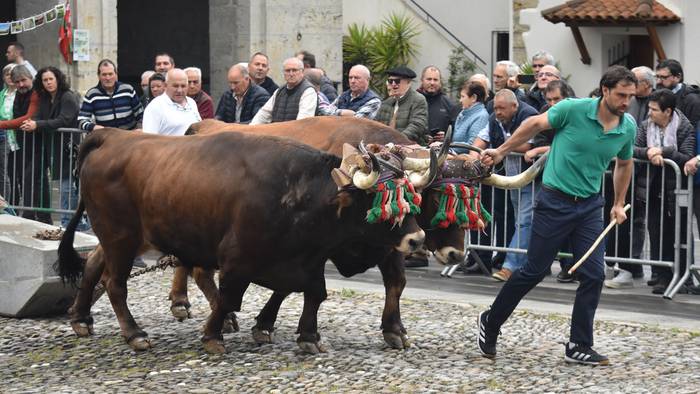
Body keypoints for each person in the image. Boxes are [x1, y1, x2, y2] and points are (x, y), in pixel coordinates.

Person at [477, 65, 637, 366]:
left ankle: (579, 344)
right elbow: (535, 124)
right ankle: (491, 320)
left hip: (590, 207)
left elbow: (625, 164)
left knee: (594, 275)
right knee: (534, 271)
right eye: (621, 95)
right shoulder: (573, 109)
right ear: (605, 90)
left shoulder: (627, 126)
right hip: (555, 201)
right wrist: (500, 151)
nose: (627, 102)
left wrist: (618, 203)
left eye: (631, 96)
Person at [632, 89, 695, 295]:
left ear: (668, 111)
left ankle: (682, 276)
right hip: (651, 185)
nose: (650, 113)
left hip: (676, 186)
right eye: (649, 108)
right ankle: (660, 273)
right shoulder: (645, 125)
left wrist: (664, 152)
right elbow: (633, 149)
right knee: (656, 230)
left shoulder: (684, 126)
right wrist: (648, 152)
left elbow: (686, 156)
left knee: (679, 231)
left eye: (654, 109)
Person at [473, 90, 538, 281]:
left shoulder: (529, 115)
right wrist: (472, 157)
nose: (498, 112)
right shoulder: (494, 118)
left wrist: (499, 147)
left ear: (514, 106)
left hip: (533, 179)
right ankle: (527, 263)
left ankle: (511, 266)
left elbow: (527, 146)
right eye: (495, 108)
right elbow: (481, 140)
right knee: (521, 221)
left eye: (502, 108)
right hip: (513, 176)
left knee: (525, 220)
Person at [525, 79, 577, 283]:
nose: (553, 104)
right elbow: (539, 138)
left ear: (567, 98)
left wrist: (539, 150)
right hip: (552, 179)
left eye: (558, 99)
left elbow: (571, 146)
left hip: (577, 180)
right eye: (550, 100)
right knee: (548, 226)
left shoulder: (577, 111)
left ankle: (570, 267)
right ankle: (541, 266)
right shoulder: (546, 112)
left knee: (574, 227)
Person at [20, 67, 82, 227]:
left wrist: (37, 124)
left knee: (66, 188)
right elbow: (38, 116)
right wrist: (32, 122)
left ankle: (69, 224)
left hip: (68, 147)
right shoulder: (45, 98)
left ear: (58, 79)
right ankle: (50, 218)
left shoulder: (68, 97)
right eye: (45, 80)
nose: (48, 83)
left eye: (51, 79)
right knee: (43, 179)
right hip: (51, 146)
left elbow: (64, 120)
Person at [0, 66, 40, 220]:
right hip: (16, 142)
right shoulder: (16, 94)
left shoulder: (35, 93)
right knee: (13, 175)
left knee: (30, 180)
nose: (21, 84)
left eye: (23, 80)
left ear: (30, 78)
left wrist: (2, 124)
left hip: (34, 143)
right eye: (17, 82)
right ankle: (15, 211)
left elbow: (27, 117)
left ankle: (34, 216)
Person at [77, 59, 144, 132]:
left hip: (129, 137)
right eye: (104, 74)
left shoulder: (128, 90)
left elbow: (141, 115)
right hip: (106, 139)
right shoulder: (92, 95)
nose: (108, 78)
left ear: (116, 74)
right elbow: (81, 120)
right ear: (98, 76)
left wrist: (139, 128)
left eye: (110, 74)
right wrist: (94, 127)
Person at [250, 57, 318, 124]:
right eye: (288, 71)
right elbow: (264, 114)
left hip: (296, 134)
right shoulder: (279, 91)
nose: (291, 74)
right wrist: (251, 129)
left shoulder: (308, 91)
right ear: (283, 73)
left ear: (302, 72)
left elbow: (302, 122)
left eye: (294, 70)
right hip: (277, 134)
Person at [375, 66, 429, 145]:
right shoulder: (386, 103)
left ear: (408, 82)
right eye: (390, 81)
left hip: (411, 149)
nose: (393, 84)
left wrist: (397, 142)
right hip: (384, 148)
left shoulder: (418, 100)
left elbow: (417, 126)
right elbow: (376, 126)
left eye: (397, 81)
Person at [143, 69, 201, 136]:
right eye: (175, 86)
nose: (179, 90)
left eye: (183, 86)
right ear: (165, 85)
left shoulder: (191, 102)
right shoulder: (155, 106)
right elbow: (149, 139)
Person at [655, 59, 700, 128]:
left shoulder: (692, 100)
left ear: (678, 77)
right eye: (657, 77)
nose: (658, 81)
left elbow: (692, 133)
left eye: (663, 77)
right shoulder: (656, 95)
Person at [417, 66, 458, 142]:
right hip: (413, 148)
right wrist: (421, 137)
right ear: (422, 80)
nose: (432, 83)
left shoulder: (450, 105)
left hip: (439, 150)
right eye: (429, 79)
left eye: (435, 80)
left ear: (440, 82)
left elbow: (457, 131)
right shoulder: (413, 100)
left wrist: (446, 136)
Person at [452, 81, 489, 148]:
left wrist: (447, 147)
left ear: (474, 98)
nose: (460, 100)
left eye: (463, 96)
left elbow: (472, 145)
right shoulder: (463, 113)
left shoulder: (481, 116)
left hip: (468, 157)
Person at [0, 64, 16, 199]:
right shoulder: (1, 95)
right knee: (4, 173)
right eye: (7, 74)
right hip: (4, 137)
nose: (10, 77)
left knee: (16, 174)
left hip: (17, 138)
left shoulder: (21, 94)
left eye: (12, 74)